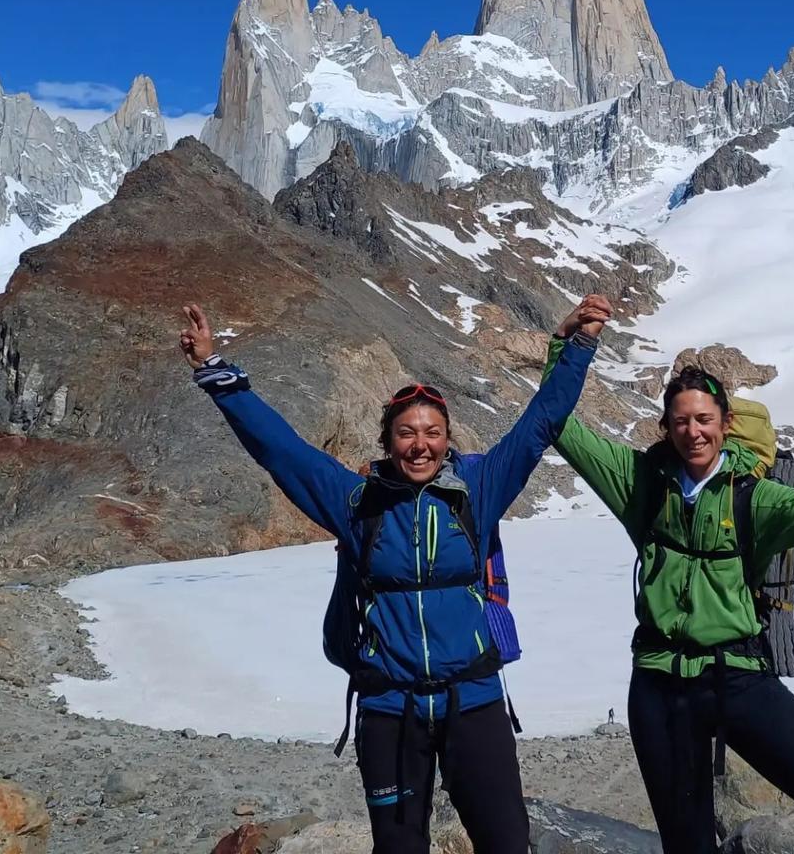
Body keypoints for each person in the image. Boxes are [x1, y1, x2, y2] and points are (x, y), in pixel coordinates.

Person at [178, 297, 605, 854]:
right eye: (406, 433)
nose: (420, 444)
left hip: (472, 699)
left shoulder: (479, 491)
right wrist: (218, 376)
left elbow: (540, 422)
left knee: (505, 843)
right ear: (387, 442)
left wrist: (578, 346)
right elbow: (280, 452)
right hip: (388, 708)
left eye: (432, 432)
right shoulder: (356, 502)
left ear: (449, 440)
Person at [544, 295, 794, 854]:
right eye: (682, 421)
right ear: (666, 426)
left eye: (704, 420)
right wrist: (570, 347)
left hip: (738, 677)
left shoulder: (756, 499)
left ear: (726, 425)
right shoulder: (639, 481)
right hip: (659, 687)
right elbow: (557, 423)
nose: (693, 432)